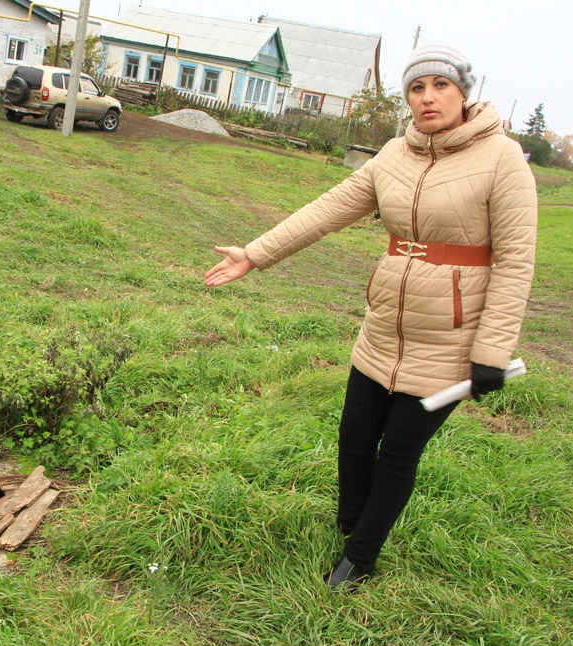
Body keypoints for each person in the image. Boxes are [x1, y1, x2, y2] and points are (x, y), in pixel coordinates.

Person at [204, 44, 537, 589]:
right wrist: (255, 252)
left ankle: (360, 556)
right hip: (384, 327)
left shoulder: (502, 159)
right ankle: (348, 525)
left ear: (463, 92)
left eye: (441, 86)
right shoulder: (394, 154)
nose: (428, 98)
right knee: (354, 437)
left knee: (399, 451)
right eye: (416, 88)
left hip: (450, 338)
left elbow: (517, 260)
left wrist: (491, 354)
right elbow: (328, 209)